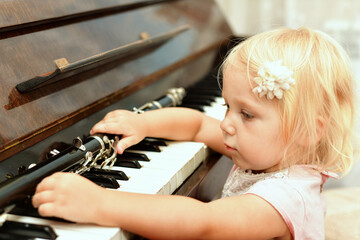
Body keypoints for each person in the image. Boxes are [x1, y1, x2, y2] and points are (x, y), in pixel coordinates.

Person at [32, 27, 355, 239]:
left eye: (247, 114)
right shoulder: (263, 150)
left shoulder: (286, 198)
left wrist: (100, 202)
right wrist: (145, 124)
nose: (227, 123)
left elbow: (203, 222)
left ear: (307, 131)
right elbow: (198, 124)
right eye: (228, 106)